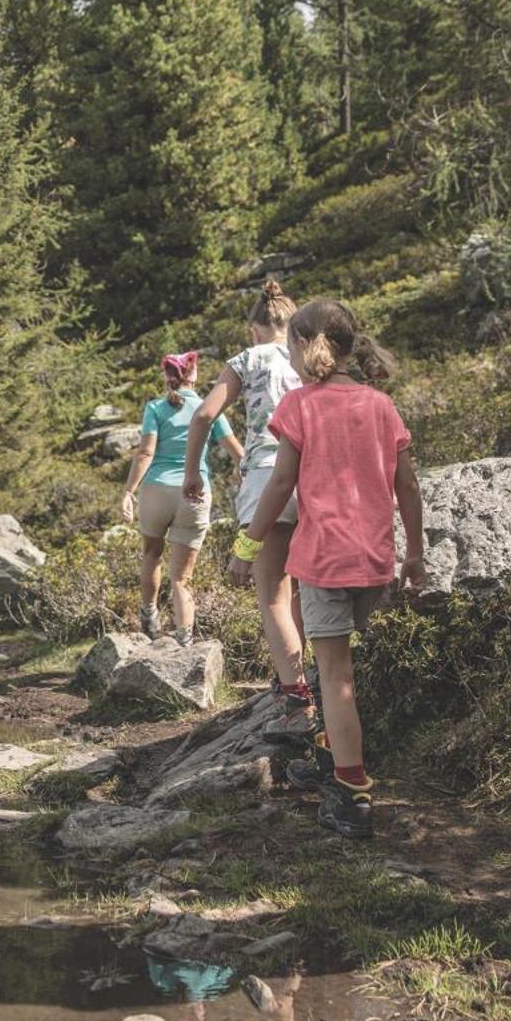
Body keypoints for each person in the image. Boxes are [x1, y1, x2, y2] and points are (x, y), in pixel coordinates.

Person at [236, 301, 423, 841]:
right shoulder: (381, 405)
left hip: (324, 558)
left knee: (335, 676)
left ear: (299, 346)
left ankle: (352, 791)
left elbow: (279, 484)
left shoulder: (299, 406)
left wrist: (247, 548)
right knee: (334, 663)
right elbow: (406, 485)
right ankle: (328, 751)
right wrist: (415, 554)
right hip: (374, 561)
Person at [186, 278, 309, 710]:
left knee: (272, 593)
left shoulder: (246, 358)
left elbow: (204, 415)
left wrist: (192, 474)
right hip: (311, 478)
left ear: (253, 329)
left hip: (264, 475)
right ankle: (311, 677)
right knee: (302, 590)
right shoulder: (307, 359)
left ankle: (296, 694)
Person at [120, 351, 244, 644]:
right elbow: (238, 453)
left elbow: (146, 453)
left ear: (167, 376)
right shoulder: (209, 408)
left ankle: (149, 616)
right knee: (182, 577)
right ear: (194, 375)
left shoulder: (155, 408)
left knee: (151, 554)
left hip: (156, 490)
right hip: (195, 494)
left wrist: (128, 491)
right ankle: (185, 638)